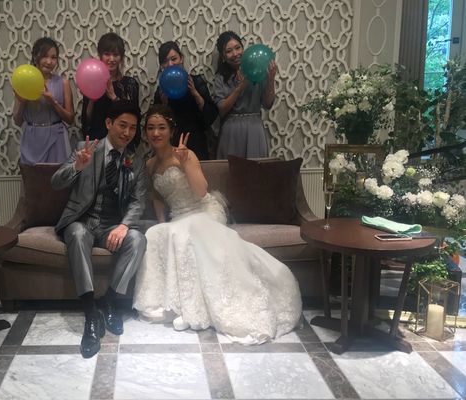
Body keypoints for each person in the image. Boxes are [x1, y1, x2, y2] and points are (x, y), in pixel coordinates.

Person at [133, 105, 301, 344]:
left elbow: (202, 191)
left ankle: (195, 309)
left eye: (162, 128)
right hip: (178, 217)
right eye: (151, 128)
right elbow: (157, 198)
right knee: (156, 234)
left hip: (203, 210)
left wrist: (184, 163)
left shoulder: (185, 154)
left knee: (190, 233)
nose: (156, 133)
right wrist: (163, 227)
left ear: (171, 130)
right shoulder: (149, 165)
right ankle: (177, 305)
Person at [52, 100, 147, 358]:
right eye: (122, 125)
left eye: (133, 128)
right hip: (82, 220)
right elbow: (55, 182)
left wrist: (124, 226)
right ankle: (90, 313)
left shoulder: (135, 160)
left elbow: (138, 201)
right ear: (108, 123)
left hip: (110, 226)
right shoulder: (84, 149)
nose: (127, 132)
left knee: (138, 239)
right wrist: (76, 167)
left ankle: (111, 301)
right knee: (77, 234)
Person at [213, 31, 277, 159]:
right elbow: (222, 109)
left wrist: (270, 80)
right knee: (231, 170)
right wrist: (240, 87)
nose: (235, 54)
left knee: (255, 169)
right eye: (229, 51)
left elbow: (268, 104)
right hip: (231, 131)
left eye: (238, 48)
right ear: (223, 56)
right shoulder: (220, 77)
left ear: (243, 48)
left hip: (254, 129)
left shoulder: (257, 70)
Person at [13, 37, 74, 164]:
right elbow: (17, 121)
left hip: (57, 139)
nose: (49, 61)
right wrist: (23, 101)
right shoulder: (24, 81)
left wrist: (53, 101)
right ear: (36, 57)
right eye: (45, 56)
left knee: (58, 176)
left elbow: (70, 119)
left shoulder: (63, 83)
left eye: (53, 57)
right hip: (32, 140)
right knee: (32, 176)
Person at [153, 41, 218, 160]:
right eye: (165, 61)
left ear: (181, 58)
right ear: (161, 65)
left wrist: (195, 92)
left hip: (196, 140)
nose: (170, 64)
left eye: (174, 59)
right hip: (171, 142)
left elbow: (211, 117)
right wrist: (164, 104)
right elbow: (156, 123)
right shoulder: (162, 89)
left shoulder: (196, 81)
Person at [81, 33, 140, 147]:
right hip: (97, 141)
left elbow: (134, 116)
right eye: (107, 54)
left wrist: (113, 97)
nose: (111, 59)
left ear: (121, 57)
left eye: (116, 55)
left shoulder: (130, 84)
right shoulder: (92, 82)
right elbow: (87, 119)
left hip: (122, 141)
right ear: (100, 56)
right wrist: (92, 99)